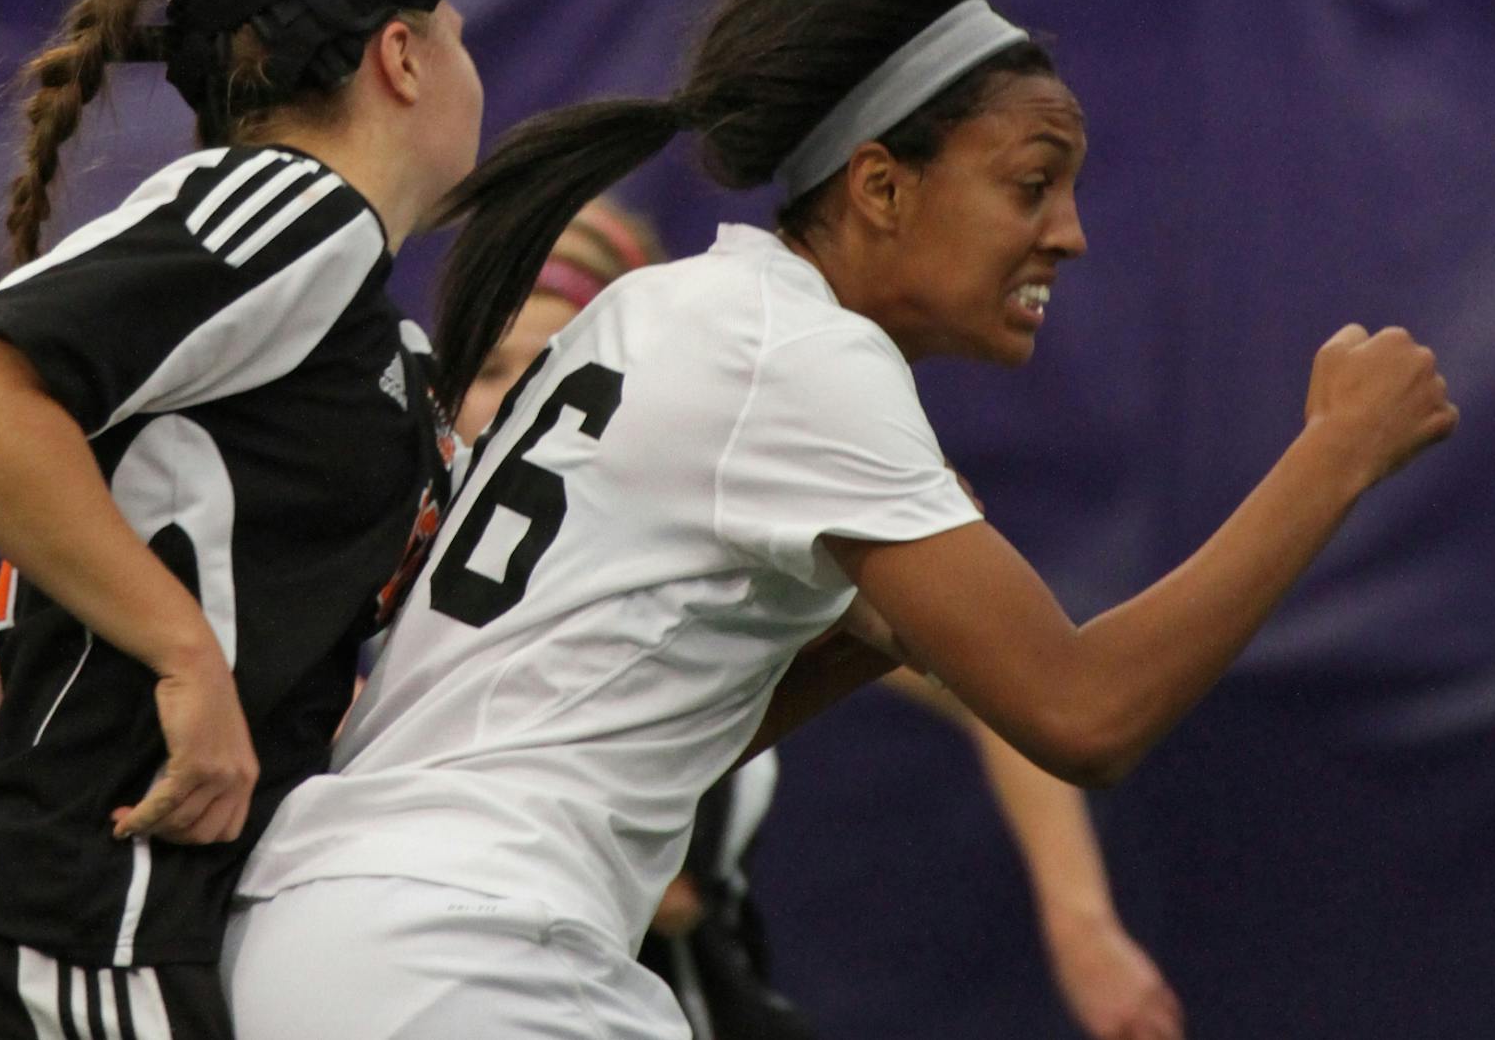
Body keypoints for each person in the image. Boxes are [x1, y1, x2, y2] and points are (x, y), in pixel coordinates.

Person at [223, 0, 1456, 1040]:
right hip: (465, 956)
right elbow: (1087, 716)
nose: (1068, 230)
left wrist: (863, 635)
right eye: (1031, 182)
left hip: (347, 939)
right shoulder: (801, 359)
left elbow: (644, 708)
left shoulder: (676, 308)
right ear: (878, 185)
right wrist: (1337, 456)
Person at [0, 0, 481, 1040]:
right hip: (81, 939)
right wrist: (189, 656)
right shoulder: (295, 208)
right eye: (463, 42)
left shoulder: (369, 332)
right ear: (401, 56)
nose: (472, 74)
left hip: (132, 931)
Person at [459, 201, 1185, 1040]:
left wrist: (1083, 926)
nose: (522, 402)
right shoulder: (407, 601)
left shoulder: (716, 545)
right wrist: (1335, 454)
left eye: (554, 369)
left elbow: (1039, 696)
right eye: (489, 370)